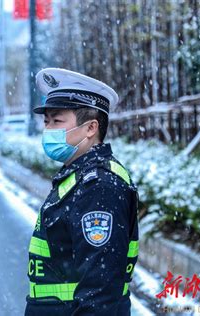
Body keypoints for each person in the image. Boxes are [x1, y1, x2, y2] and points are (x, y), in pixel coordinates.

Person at [24, 68, 139, 315]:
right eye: (46, 122)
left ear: (90, 128)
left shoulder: (99, 186)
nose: (48, 130)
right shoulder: (78, 177)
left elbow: (100, 289)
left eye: (57, 121)